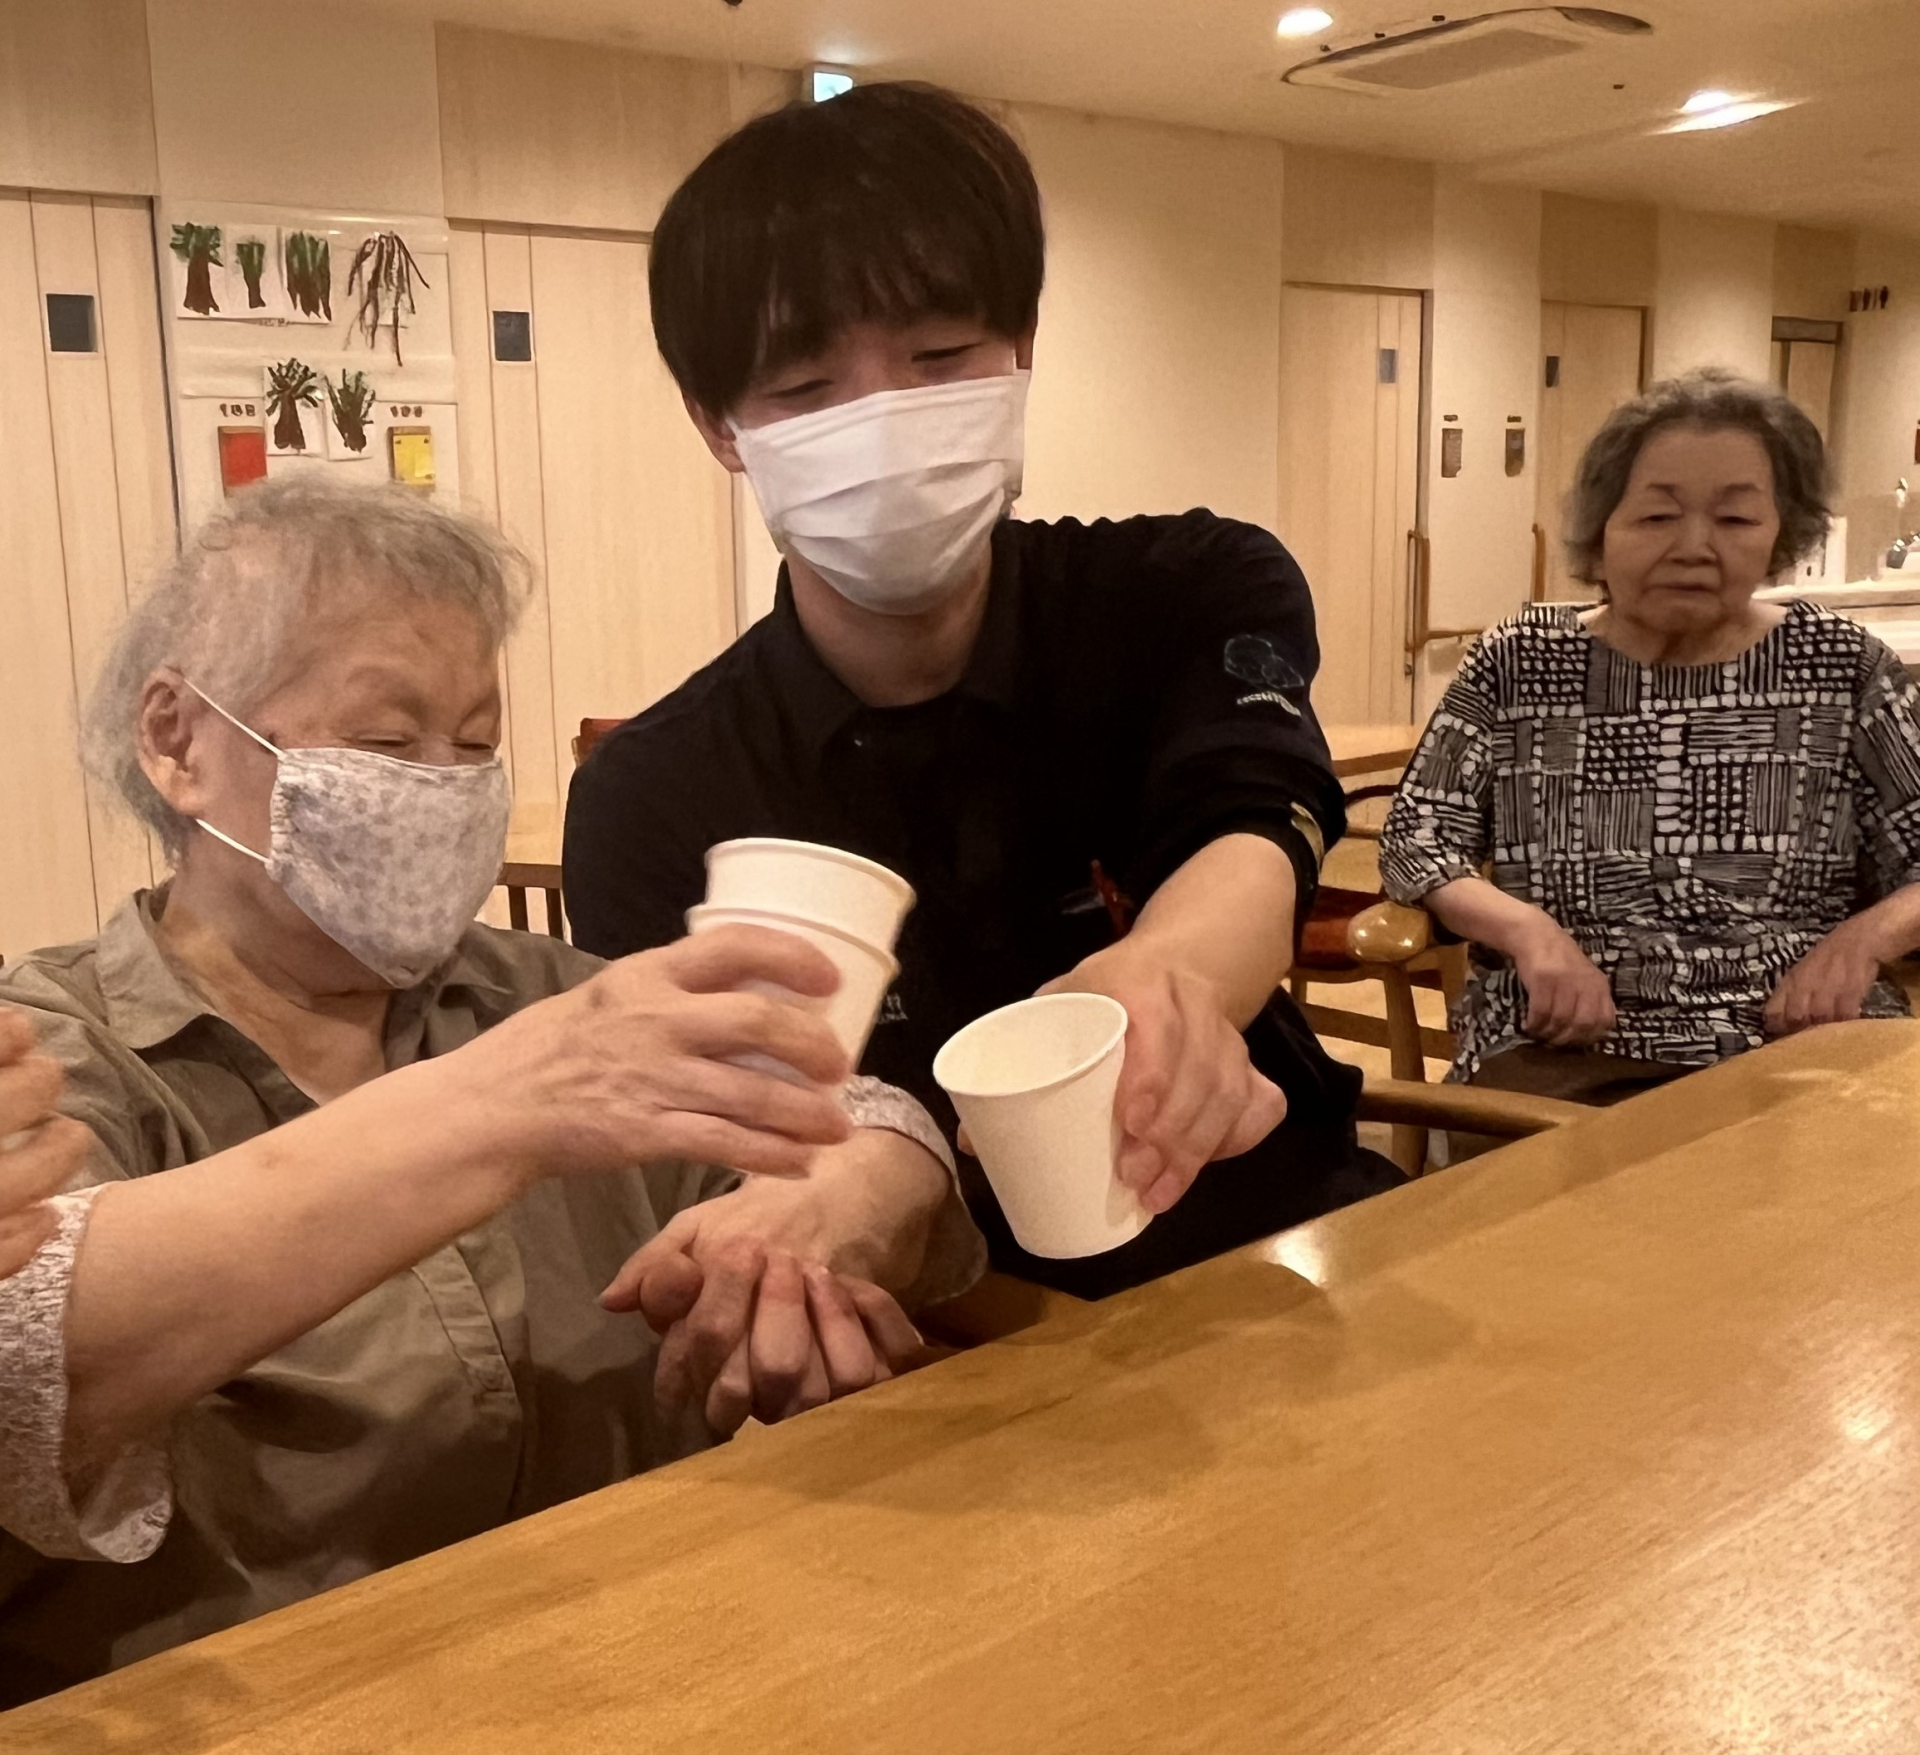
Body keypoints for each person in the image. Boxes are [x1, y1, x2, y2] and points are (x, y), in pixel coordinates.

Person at [0, 477, 981, 1704]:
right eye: (384, 743)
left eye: (474, 745)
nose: (444, 786)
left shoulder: (547, 992)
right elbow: (34, 1347)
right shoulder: (54, 1049)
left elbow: (875, 1120)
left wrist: (845, 1200)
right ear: (177, 741)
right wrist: (504, 1106)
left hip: (670, 1672)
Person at [563, 81, 1402, 1300]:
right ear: (720, 426)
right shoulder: (654, 798)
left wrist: (1167, 980)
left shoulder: (1187, 589)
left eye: (940, 358)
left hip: (1284, 1255)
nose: (884, 422)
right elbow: (709, 1146)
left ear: (1021, 350)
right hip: (937, 1346)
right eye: (804, 389)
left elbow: (1253, 824)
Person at [1381, 369, 1920, 1112]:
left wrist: (1862, 942)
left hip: (1801, 1037)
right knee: (1557, 1180)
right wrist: (1528, 932)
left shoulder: (1842, 666)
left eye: (1735, 520)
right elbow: (1416, 837)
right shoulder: (1520, 661)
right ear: (1602, 529)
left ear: (1781, 534)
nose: (1694, 546)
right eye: (1657, 516)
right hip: (1567, 1041)